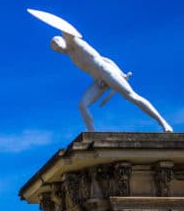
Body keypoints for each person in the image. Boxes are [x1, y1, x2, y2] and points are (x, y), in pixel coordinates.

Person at [29, 9, 172, 132]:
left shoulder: (76, 44)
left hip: (106, 72)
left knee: (131, 96)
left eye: (57, 44)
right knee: (82, 105)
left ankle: (163, 122)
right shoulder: (72, 57)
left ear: (62, 41)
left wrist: (119, 73)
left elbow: (67, 30)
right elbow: (104, 58)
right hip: (98, 80)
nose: (58, 49)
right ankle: (92, 133)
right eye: (56, 50)